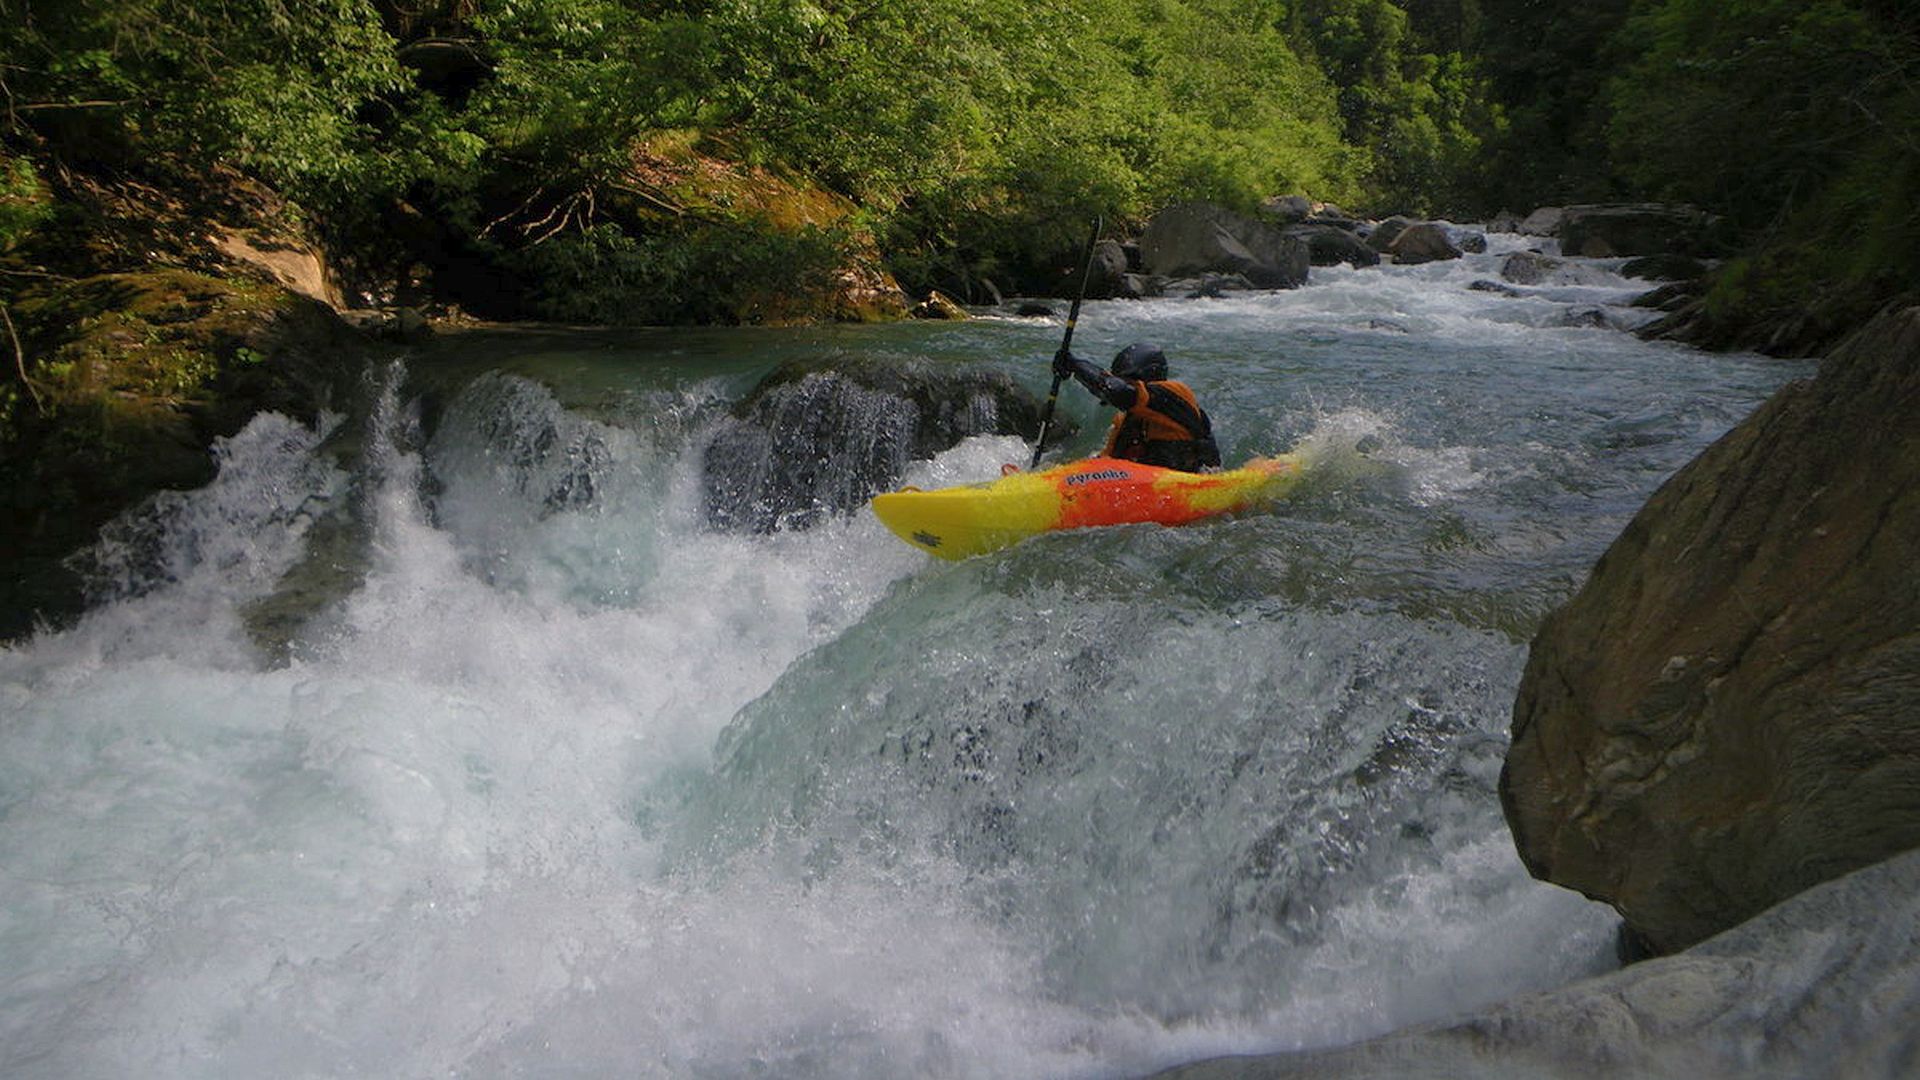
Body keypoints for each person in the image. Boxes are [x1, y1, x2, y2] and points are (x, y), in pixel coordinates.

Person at [1052, 342, 1222, 471]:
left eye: (1127, 381)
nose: (1121, 383)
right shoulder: (1126, 420)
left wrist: (1075, 365)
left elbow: (1119, 391)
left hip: (1186, 482)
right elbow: (1107, 461)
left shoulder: (1176, 394)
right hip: (1144, 487)